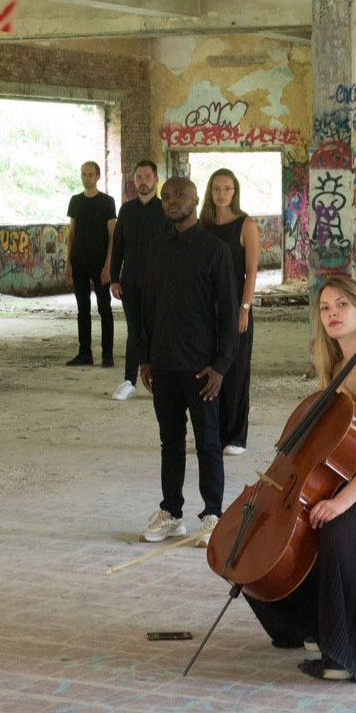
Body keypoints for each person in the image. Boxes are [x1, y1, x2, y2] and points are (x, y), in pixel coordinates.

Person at [245, 276, 356, 683]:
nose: (333, 314)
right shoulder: (336, 367)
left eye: (342, 305)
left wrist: (341, 503)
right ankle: (306, 624)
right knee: (264, 531)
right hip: (338, 478)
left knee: (338, 531)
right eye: (325, 308)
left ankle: (343, 648)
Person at [137, 176, 238, 545]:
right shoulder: (158, 247)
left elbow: (229, 315)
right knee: (170, 441)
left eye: (179, 195)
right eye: (166, 197)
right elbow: (148, 307)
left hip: (202, 368)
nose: (171, 200)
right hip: (163, 364)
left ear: (196, 200)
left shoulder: (215, 250)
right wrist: (145, 359)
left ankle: (213, 515)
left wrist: (222, 365)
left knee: (209, 442)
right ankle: (172, 512)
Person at [201, 168, 261, 455]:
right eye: (216, 189)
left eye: (227, 188)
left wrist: (244, 308)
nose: (221, 194)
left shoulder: (245, 224)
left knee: (235, 373)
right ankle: (212, 434)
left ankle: (236, 437)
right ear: (209, 192)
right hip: (205, 311)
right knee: (207, 371)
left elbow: (251, 272)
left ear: (235, 191)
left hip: (236, 307)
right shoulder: (202, 225)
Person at [110, 160, 169, 401]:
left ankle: (161, 382)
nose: (143, 181)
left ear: (155, 180)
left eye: (147, 177)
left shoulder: (165, 210)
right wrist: (115, 278)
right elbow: (118, 247)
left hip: (159, 283)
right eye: (139, 177)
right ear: (133, 181)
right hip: (130, 282)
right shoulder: (126, 210)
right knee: (135, 332)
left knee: (157, 331)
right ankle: (129, 381)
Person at [66, 160, 117, 367]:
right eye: (83, 174)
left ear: (98, 177)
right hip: (79, 261)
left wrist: (108, 266)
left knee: (104, 308)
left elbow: (112, 236)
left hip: (100, 263)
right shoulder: (75, 201)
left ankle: (107, 355)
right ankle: (85, 353)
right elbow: (72, 232)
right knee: (82, 309)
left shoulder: (107, 201)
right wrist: (68, 262)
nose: (86, 177)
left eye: (90, 174)